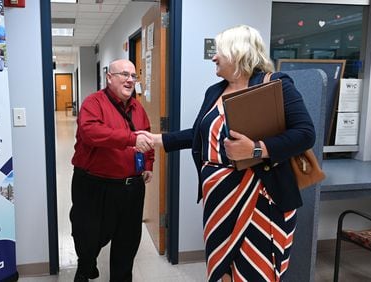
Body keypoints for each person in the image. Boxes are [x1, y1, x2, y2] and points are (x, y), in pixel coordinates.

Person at [139, 25, 315, 282]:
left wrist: (257, 149)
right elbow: (200, 133)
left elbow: (305, 133)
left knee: (255, 271)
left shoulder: (276, 84)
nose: (213, 57)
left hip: (261, 199)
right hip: (218, 200)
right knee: (223, 270)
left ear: (238, 52)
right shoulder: (215, 91)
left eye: (218, 51)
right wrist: (159, 139)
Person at [70, 59, 155, 282]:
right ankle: (85, 266)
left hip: (131, 187)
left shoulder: (138, 108)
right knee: (87, 235)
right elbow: (91, 133)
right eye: (123, 75)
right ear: (109, 77)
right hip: (94, 185)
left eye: (133, 76)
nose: (129, 80)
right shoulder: (93, 103)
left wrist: (148, 164)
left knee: (127, 242)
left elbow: (146, 136)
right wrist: (130, 139)